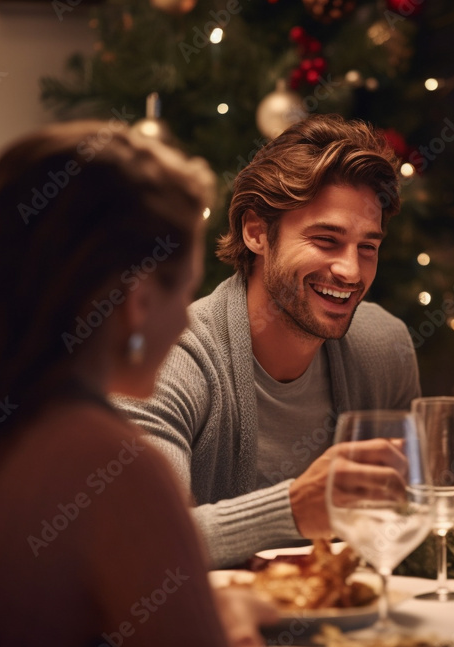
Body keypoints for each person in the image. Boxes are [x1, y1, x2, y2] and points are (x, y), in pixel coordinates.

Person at [0, 121, 274, 647]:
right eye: (184, 290)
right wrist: (226, 630)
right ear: (137, 302)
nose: (187, 320)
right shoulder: (114, 468)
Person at [115, 114, 420, 569]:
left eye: (367, 247)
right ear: (256, 232)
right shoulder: (173, 356)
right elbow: (141, 540)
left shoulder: (384, 345)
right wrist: (295, 508)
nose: (351, 272)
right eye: (325, 240)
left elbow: (410, 509)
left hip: (349, 624)